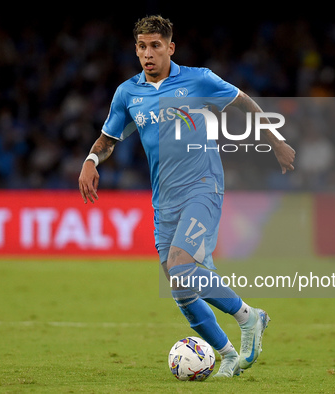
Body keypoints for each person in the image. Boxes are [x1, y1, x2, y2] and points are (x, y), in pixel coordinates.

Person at [78, 15, 296, 378]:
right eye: (142, 47)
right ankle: (227, 355)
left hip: (203, 186)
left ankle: (249, 317)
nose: (148, 54)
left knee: (181, 266)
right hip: (164, 201)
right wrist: (90, 159)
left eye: (156, 46)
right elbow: (109, 140)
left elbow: (244, 102)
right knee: (179, 288)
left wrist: (275, 141)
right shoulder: (127, 93)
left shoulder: (199, 79)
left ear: (170, 48)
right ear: (136, 49)